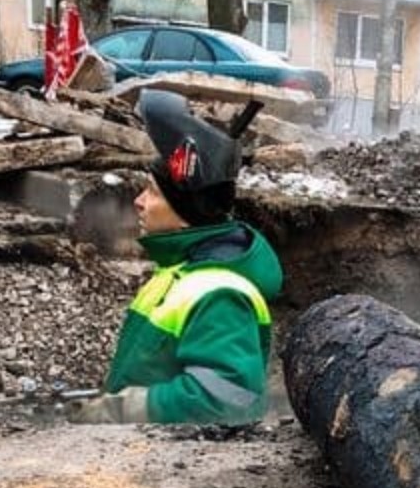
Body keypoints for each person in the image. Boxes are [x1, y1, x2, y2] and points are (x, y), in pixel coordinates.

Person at [69, 89, 283, 425]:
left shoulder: (220, 294)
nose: (139, 201)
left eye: (152, 191)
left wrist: (122, 409)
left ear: (185, 211)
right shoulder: (180, 271)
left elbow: (224, 398)